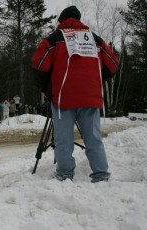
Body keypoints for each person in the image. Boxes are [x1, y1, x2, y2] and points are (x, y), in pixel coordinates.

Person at [31, 6, 119, 182]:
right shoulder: (95, 39)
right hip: (90, 97)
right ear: (79, 19)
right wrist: (96, 80)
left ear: (61, 22)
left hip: (63, 98)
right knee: (93, 138)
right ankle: (101, 175)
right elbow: (113, 64)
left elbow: (39, 65)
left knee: (64, 139)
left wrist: (47, 89)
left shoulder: (54, 39)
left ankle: (65, 175)